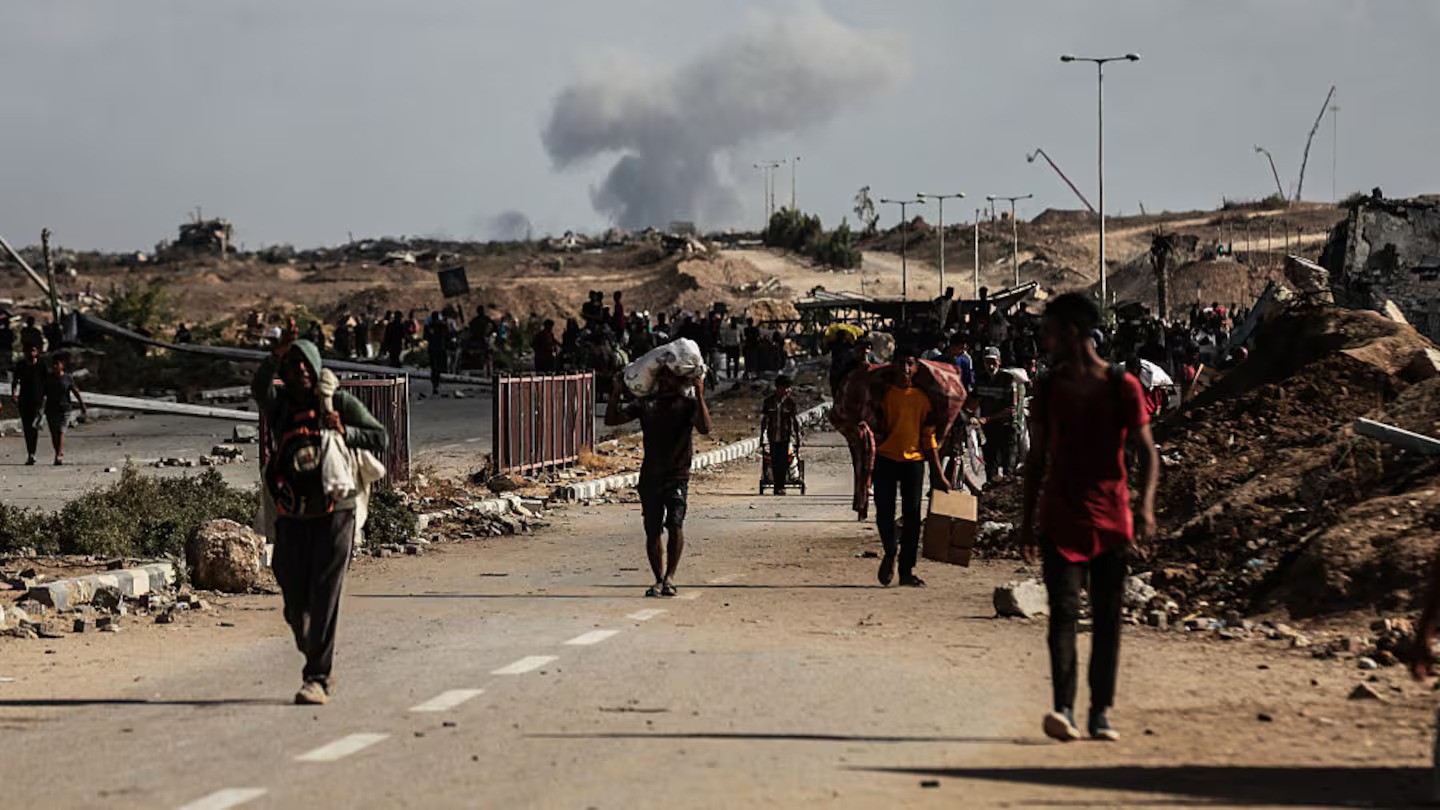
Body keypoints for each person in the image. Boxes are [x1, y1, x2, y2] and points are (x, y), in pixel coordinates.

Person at [1019, 293, 1159, 743]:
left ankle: (1099, 711)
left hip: (1111, 519)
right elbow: (1036, 459)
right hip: (1060, 518)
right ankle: (1063, 708)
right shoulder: (1047, 388)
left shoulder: (1123, 386)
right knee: (1062, 614)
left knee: (1106, 618)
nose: (1045, 338)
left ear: (1073, 333)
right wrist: (1025, 522)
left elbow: (1149, 454)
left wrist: (1145, 506)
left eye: (1051, 329)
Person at [252, 332, 389, 706]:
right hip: (292, 513)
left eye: (304, 364)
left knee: (326, 595)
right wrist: (272, 355)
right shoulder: (280, 407)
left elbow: (381, 438)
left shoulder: (339, 401)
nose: (299, 372)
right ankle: (305, 633)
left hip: (336, 512)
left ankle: (317, 677)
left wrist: (345, 429)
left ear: (314, 367)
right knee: (292, 589)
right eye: (291, 366)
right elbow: (259, 387)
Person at [604, 368, 711, 598]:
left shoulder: (687, 405)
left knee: (675, 525)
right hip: (650, 476)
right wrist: (616, 392)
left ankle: (670, 577)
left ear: (678, 380)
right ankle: (658, 579)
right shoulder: (646, 405)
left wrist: (701, 394)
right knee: (652, 530)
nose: (664, 382)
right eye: (661, 378)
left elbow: (705, 428)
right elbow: (612, 419)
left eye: (669, 378)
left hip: (677, 475)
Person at [873, 346, 952, 588]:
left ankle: (907, 571)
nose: (905, 369)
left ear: (917, 368)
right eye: (902, 364)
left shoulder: (923, 399)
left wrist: (938, 474)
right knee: (883, 513)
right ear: (893, 366)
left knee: (913, 518)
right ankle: (889, 550)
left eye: (910, 364)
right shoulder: (883, 395)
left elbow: (928, 438)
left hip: (914, 463)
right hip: (885, 459)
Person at [971, 347, 1020, 481]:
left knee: (1008, 472)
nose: (991, 365)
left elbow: (1011, 408)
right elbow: (973, 400)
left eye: (993, 362)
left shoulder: (1008, 379)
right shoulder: (981, 379)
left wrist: (987, 418)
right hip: (988, 431)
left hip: (1007, 429)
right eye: (987, 362)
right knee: (990, 470)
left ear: (999, 361)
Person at [760, 374, 802, 495]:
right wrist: (762, 436)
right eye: (785, 388)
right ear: (778, 388)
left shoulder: (791, 403)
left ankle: (780, 486)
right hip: (772, 436)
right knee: (774, 461)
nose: (787, 390)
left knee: (783, 462)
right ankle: (777, 485)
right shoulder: (768, 402)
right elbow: (765, 420)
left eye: (789, 388)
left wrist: (798, 437)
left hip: (785, 437)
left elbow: (795, 421)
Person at [43, 353, 86, 465]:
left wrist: (81, 404)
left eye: (57, 364)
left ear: (62, 365)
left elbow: (75, 391)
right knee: (54, 433)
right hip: (51, 408)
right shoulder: (48, 378)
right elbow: (43, 392)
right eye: (53, 364)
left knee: (61, 431)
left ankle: (59, 455)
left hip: (65, 408)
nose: (55, 366)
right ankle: (58, 452)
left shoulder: (67, 378)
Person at [11, 344, 47, 465]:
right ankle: (30, 453)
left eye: (33, 350)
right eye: (28, 350)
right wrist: (14, 393)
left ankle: (33, 452)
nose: (31, 353)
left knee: (34, 427)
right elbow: (15, 380)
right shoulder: (21, 365)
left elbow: (46, 381)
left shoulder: (41, 365)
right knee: (27, 428)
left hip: (38, 400)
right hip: (24, 400)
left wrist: (46, 397)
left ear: (37, 352)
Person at [424, 313, 448, 395]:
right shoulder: (442, 325)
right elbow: (448, 334)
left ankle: (435, 384)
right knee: (438, 367)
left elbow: (425, 337)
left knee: (434, 367)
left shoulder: (429, 326)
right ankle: (436, 384)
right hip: (440, 348)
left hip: (433, 348)